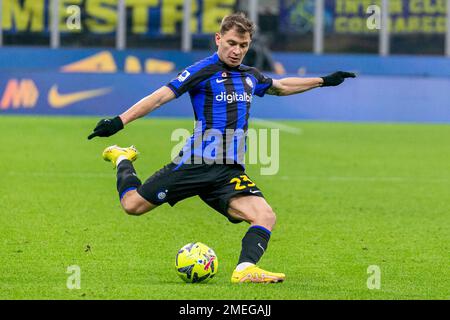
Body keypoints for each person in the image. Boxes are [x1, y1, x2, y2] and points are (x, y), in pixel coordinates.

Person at [87, 13, 355, 284]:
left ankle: (245, 269)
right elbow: (158, 98)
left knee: (264, 214)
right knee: (132, 206)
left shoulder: (251, 76)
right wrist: (119, 121)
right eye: (231, 43)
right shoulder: (201, 71)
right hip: (195, 164)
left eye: (244, 45)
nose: (237, 50)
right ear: (218, 39)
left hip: (227, 171)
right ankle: (122, 157)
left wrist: (323, 80)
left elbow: (282, 86)